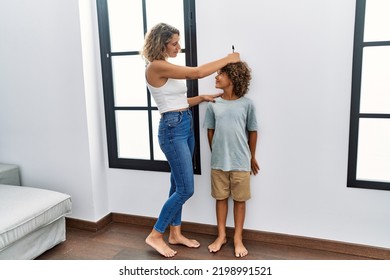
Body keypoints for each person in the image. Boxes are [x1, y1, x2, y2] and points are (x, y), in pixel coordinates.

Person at [142, 22, 240, 258]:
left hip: (184, 123)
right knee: (186, 189)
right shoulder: (155, 67)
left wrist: (201, 98)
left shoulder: (166, 66)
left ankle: (175, 233)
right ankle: (156, 234)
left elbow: (178, 101)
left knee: (177, 185)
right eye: (174, 43)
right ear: (161, 43)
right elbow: (196, 73)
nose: (179, 47)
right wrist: (229, 58)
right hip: (172, 130)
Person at [204, 61, 259, 258]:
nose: (216, 77)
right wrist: (216, 151)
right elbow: (210, 131)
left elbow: (252, 131)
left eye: (220, 74)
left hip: (240, 161)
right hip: (219, 162)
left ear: (233, 78)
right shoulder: (213, 104)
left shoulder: (247, 104)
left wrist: (252, 157)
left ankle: (237, 238)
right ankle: (221, 236)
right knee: (220, 198)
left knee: (240, 200)